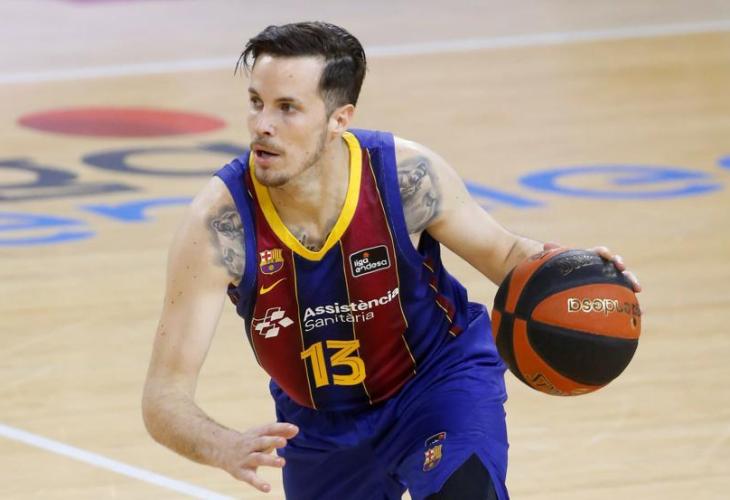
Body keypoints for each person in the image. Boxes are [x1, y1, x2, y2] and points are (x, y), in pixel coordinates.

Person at [141, 21, 641, 500]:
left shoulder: (404, 176)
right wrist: (222, 445)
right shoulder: (219, 224)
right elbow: (164, 396)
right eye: (256, 102)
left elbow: (506, 254)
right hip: (320, 425)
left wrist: (576, 272)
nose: (261, 125)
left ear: (339, 119)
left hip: (436, 384)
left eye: (287, 108)